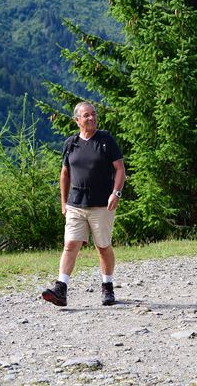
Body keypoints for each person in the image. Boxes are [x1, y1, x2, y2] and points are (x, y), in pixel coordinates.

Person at [42, 102, 125, 307]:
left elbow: (120, 169)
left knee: (103, 246)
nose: (91, 118)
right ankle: (61, 288)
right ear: (77, 120)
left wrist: (116, 193)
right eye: (86, 115)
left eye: (93, 114)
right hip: (75, 204)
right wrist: (63, 202)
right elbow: (65, 173)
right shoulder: (70, 143)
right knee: (70, 245)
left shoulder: (106, 141)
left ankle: (107, 287)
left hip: (101, 205)